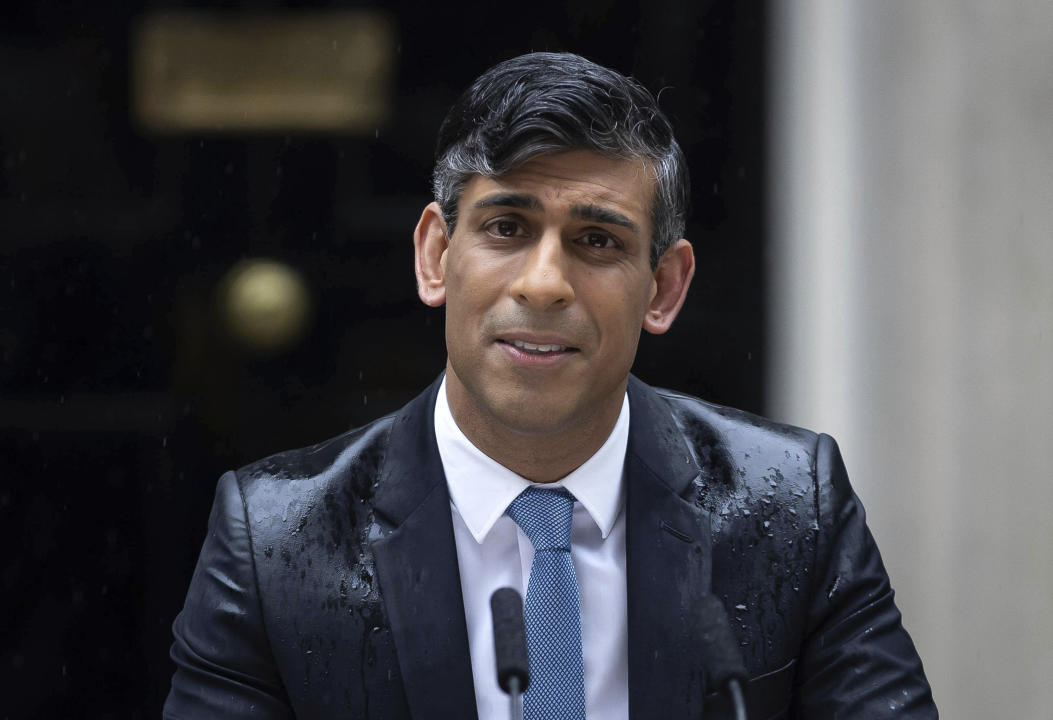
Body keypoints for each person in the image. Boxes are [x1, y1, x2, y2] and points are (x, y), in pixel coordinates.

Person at [164, 53, 937, 719]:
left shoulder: (791, 505)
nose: (542, 284)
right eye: (505, 227)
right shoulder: (275, 541)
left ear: (663, 287)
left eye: (596, 240)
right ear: (436, 256)